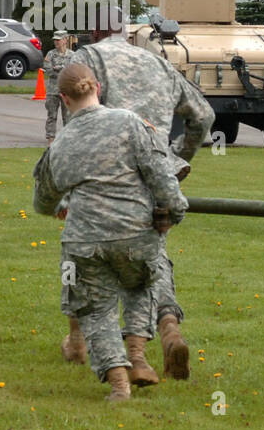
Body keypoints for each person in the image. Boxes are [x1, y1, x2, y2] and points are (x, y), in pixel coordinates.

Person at [65, 6, 213, 379]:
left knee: (83, 258)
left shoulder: (88, 59)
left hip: (106, 178)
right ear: (126, 33)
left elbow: (76, 125)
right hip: (157, 176)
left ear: (95, 32)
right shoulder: (158, 64)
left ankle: (78, 342)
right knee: (151, 259)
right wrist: (176, 160)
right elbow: (203, 116)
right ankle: (167, 327)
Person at [33, 64, 188, 401]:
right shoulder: (130, 123)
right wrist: (175, 210)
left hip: (85, 239)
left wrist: (62, 206)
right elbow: (161, 174)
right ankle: (137, 356)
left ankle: (119, 384)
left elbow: (44, 199)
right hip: (136, 232)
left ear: (63, 98)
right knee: (141, 285)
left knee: (95, 309)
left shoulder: (61, 143)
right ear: (98, 88)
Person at [43, 31, 75, 143]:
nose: (56, 42)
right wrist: (62, 70)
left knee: (68, 116)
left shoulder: (72, 55)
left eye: (58, 39)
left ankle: (68, 137)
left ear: (65, 40)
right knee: (52, 115)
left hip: (67, 90)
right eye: (55, 40)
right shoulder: (50, 54)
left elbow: (73, 71)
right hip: (53, 90)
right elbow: (48, 70)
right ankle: (50, 137)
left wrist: (59, 68)